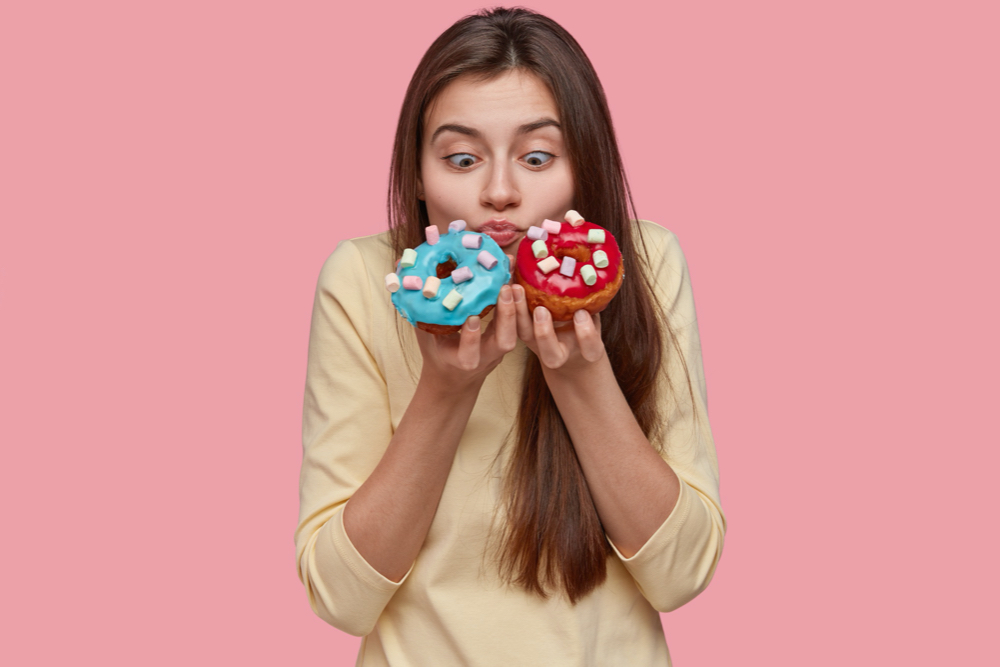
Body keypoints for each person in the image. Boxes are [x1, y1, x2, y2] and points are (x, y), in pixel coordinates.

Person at [294, 7, 725, 665]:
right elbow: (340, 598)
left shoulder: (643, 265)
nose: (500, 192)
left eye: (537, 156)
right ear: (417, 173)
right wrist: (445, 389)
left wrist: (582, 377)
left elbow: (683, 574)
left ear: (584, 165)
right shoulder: (360, 282)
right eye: (462, 158)